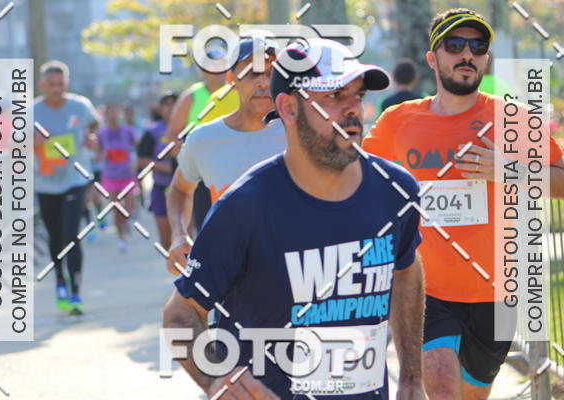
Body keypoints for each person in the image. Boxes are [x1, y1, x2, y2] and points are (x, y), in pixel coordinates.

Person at [164, 38, 426, 400]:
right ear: (288, 108)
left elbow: (407, 268)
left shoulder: (395, 190)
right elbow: (180, 315)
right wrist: (216, 380)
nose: (352, 109)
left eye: (358, 95)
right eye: (333, 96)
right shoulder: (244, 207)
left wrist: (411, 378)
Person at [362, 8, 564, 399]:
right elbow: (359, 177)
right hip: (424, 287)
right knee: (440, 386)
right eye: (454, 45)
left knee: (471, 394)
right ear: (432, 57)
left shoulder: (514, 120)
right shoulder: (399, 121)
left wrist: (512, 171)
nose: (467, 54)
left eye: (477, 46)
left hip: (497, 293)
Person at [166, 36, 285, 275]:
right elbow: (179, 191)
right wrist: (179, 235)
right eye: (252, 73)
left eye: (271, 73)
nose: (263, 82)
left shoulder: (303, 132)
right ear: (231, 80)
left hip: (291, 272)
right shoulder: (203, 139)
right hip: (229, 275)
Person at [34, 60, 100, 315]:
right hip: (46, 182)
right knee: (55, 235)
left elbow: (94, 123)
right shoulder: (31, 112)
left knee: (71, 235)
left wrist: (91, 136)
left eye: (60, 84)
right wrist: (31, 142)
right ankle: (60, 280)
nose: (56, 89)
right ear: (42, 85)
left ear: (67, 84)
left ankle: (76, 293)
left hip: (75, 179)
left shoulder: (80, 105)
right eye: (51, 84)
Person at [166, 50, 227, 234]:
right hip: (203, 175)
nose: (219, 70)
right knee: (206, 225)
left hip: (233, 168)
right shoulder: (191, 96)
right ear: (202, 70)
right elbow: (172, 137)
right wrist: (191, 163)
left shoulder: (238, 92)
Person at [138, 92, 179, 249]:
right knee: (167, 241)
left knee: (186, 238)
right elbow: (142, 160)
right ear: (160, 109)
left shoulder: (189, 128)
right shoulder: (152, 132)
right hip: (161, 190)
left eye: (174, 104)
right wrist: (164, 167)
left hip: (185, 191)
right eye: (166, 104)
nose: (170, 108)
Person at [98, 103, 137, 252]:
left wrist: (134, 162)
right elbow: (98, 151)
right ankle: (121, 238)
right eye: (110, 112)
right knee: (115, 208)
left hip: (127, 174)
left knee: (129, 207)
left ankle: (126, 222)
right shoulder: (102, 133)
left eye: (116, 112)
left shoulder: (128, 130)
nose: (113, 115)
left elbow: (137, 147)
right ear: (106, 115)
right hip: (110, 175)